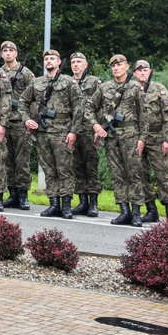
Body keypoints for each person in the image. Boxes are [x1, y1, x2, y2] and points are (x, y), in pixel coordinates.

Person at [85, 55, 146, 227]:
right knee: (118, 175)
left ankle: (136, 213)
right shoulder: (104, 87)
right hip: (111, 137)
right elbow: (89, 107)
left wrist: (142, 138)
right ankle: (124, 211)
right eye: (113, 66)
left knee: (134, 174)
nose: (116, 68)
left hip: (131, 135)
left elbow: (143, 115)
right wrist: (96, 126)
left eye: (119, 65)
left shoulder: (135, 87)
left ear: (127, 67)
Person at [22, 49, 81, 219]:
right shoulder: (36, 83)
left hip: (63, 131)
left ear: (59, 62)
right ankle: (54, 204)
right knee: (48, 169)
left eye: (52, 58)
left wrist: (73, 130)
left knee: (64, 169)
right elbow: (22, 103)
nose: (49, 61)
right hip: (42, 132)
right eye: (46, 59)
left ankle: (67, 206)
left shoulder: (68, 82)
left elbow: (78, 107)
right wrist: (27, 120)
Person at [133, 60, 168, 221]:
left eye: (145, 70)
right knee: (141, 174)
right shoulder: (131, 88)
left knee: (162, 174)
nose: (142, 72)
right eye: (139, 70)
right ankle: (151, 209)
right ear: (135, 73)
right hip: (136, 138)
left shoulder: (159, 89)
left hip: (157, 138)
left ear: (150, 72)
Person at [0, 41, 36, 210]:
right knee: (6, 160)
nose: (8, 53)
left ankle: (23, 195)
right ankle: (12, 193)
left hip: (20, 121)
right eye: (5, 51)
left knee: (22, 160)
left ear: (16, 53)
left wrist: (30, 119)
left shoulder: (26, 73)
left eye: (11, 50)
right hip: (4, 121)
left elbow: (34, 98)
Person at [68, 52, 103, 216]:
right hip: (73, 131)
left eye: (79, 62)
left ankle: (93, 203)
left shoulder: (94, 82)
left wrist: (98, 129)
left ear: (85, 64)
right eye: (73, 62)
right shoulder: (68, 82)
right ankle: (82, 202)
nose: (76, 64)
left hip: (89, 130)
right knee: (77, 167)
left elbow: (102, 106)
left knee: (91, 167)